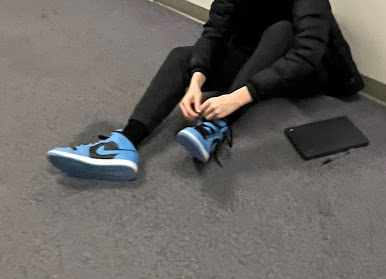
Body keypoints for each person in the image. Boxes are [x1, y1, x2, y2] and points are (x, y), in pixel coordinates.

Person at [47, 0, 363, 181]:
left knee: (281, 29)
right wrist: (197, 77)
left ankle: (215, 126)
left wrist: (236, 98)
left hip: (305, 72)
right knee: (182, 57)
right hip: (254, 55)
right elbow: (215, 30)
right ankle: (125, 143)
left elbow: (307, 56)